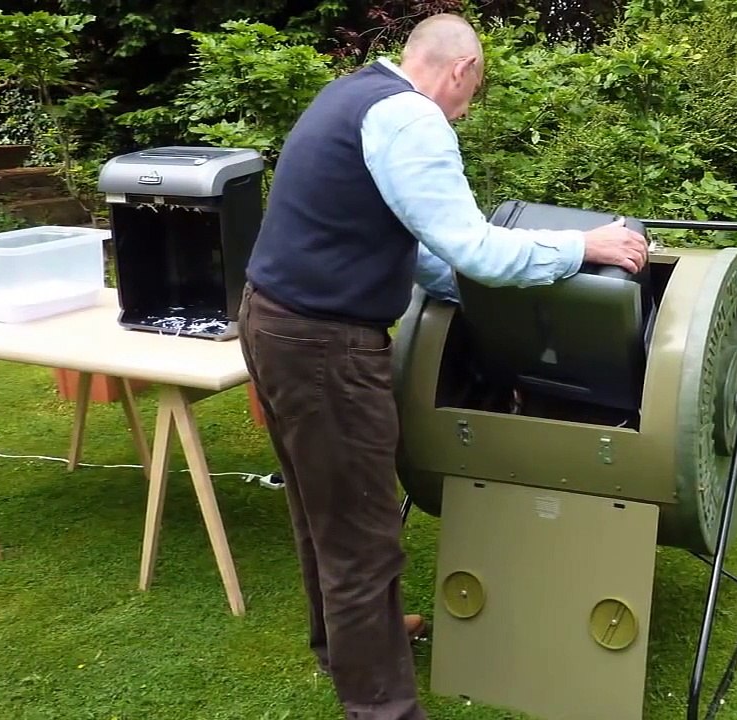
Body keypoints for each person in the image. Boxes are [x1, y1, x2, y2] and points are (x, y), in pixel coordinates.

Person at [236, 12, 649, 720]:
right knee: (363, 534)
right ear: (460, 71)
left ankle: (346, 646)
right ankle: (382, 707)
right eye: (470, 95)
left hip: (273, 320)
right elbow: (477, 249)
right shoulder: (413, 119)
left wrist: (490, 295)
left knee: (321, 509)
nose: (463, 112)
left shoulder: (352, 95)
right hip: (325, 347)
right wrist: (587, 248)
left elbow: (426, 253)